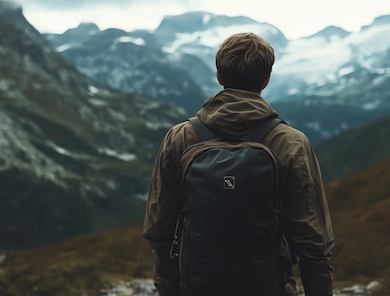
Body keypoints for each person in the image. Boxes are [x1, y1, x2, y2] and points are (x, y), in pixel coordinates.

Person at [143, 32, 335, 296]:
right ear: (266, 80)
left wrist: (169, 289)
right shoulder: (292, 143)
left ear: (219, 77)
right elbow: (313, 238)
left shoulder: (179, 138)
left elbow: (159, 227)